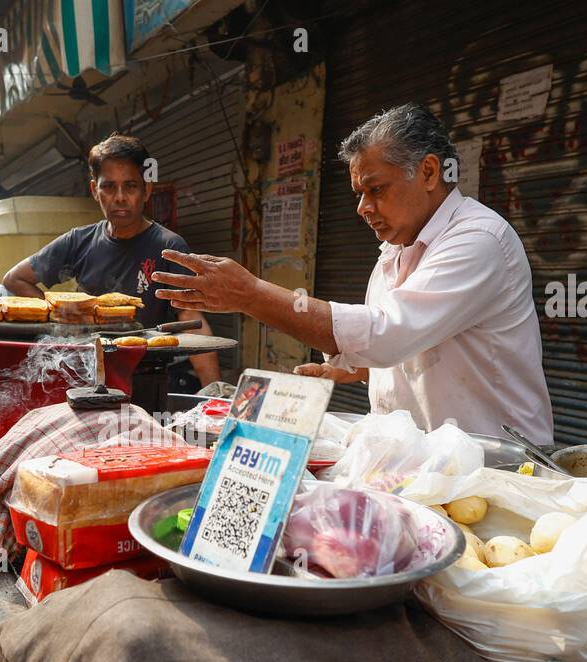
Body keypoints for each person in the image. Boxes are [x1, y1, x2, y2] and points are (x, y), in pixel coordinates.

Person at [151, 103, 554, 442]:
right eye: (359, 193)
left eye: (375, 189)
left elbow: (384, 334)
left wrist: (251, 295)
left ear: (430, 172)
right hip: (423, 462)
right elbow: (414, 344)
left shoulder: (480, 240)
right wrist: (355, 369)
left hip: (498, 465)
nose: (362, 207)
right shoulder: (394, 251)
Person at [2, 133, 222, 386]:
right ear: (95, 190)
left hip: (148, 374)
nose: (119, 197)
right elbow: (14, 279)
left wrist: (213, 394)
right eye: (109, 186)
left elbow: (190, 320)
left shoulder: (169, 246)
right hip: (87, 373)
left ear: (146, 190)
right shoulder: (78, 241)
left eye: (130, 186)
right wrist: (60, 315)